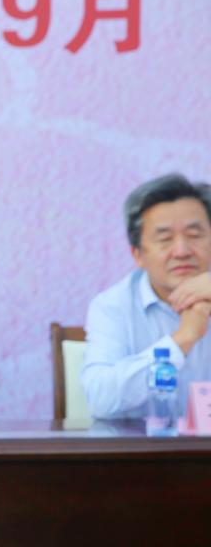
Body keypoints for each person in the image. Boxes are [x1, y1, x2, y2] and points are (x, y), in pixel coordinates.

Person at [82, 174, 211, 419]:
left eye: (195, 236)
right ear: (138, 255)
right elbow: (100, 399)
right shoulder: (113, 306)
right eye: (165, 239)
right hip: (144, 444)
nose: (182, 251)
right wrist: (182, 339)